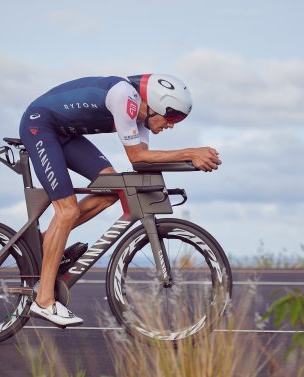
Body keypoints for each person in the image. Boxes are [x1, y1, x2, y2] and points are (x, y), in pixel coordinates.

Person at [18, 74, 221, 326]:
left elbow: (145, 159)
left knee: (111, 191)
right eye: (172, 117)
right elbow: (137, 157)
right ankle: (44, 300)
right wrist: (191, 151)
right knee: (67, 211)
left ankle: (45, 241)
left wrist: (191, 162)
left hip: (64, 134)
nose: (172, 125)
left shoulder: (142, 117)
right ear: (156, 105)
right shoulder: (125, 96)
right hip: (40, 127)